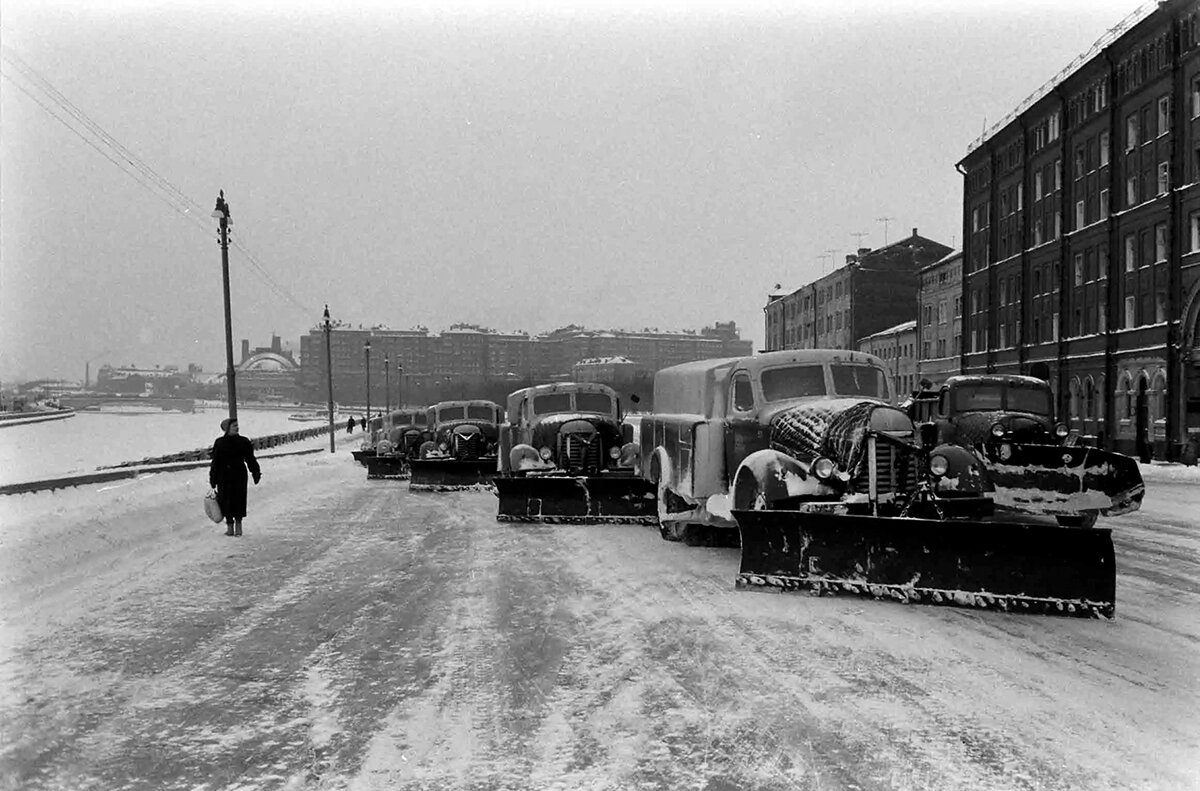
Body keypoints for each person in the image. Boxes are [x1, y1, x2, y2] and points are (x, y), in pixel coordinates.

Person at [209, 417, 261, 537]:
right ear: (227, 429)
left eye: (237, 425)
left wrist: (255, 472)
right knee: (225, 501)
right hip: (224, 476)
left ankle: (238, 527)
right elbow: (215, 462)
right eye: (234, 426)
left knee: (239, 500)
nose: (237, 427)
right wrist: (213, 478)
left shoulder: (244, 441)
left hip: (239, 475)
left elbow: (250, 458)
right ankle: (230, 527)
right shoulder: (220, 443)